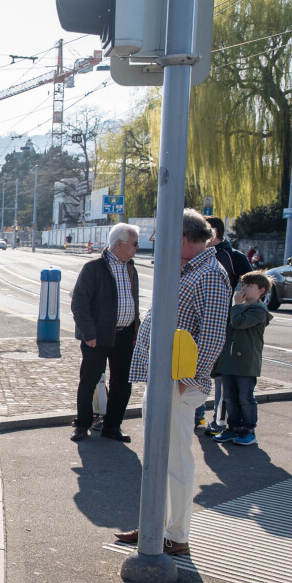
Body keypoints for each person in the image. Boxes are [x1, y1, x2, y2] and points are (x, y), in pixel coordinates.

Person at [115, 210, 231, 557]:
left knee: (176, 461)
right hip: (166, 378)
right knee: (157, 457)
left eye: (163, 237)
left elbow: (212, 337)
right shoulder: (189, 268)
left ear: (182, 239)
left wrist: (187, 382)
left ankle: (177, 535)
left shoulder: (210, 273)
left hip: (179, 382)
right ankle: (155, 523)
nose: (155, 244)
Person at [70, 223, 141, 443]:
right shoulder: (94, 268)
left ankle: (112, 426)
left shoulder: (131, 268)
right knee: (89, 380)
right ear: (119, 244)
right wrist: (88, 334)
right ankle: (82, 424)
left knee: (122, 383)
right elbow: (79, 304)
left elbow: (133, 302)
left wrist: (135, 333)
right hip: (97, 336)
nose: (137, 248)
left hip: (124, 336)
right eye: (135, 243)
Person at [197, 216, 253, 430]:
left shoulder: (234, 257)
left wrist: (238, 311)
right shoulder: (198, 254)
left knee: (221, 376)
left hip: (226, 326)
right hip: (200, 323)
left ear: (212, 233)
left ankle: (218, 421)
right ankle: (198, 415)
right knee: (198, 369)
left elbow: (255, 286)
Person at [210, 271, 272, 446]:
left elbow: (238, 323)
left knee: (246, 397)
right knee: (229, 396)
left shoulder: (259, 310)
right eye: (243, 285)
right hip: (230, 360)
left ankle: (248, 430)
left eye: (249, 286)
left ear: (261, 290)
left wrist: (236, 305)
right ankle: (233, 427)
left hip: (246, 362)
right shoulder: (239, 307)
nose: (244, 289)